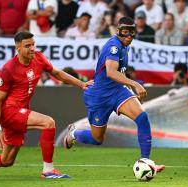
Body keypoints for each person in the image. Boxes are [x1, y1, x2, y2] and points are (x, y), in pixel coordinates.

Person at [0, 31, 93, 178]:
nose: (32, 48)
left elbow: (57, 73)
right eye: (27, 46)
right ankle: (48, 170)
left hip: (21, 111)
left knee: (6, 160)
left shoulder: (38, 57)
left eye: (33, 44)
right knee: (48, 123)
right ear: (18, 48)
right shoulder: (9, 69)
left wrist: (81, 84)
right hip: (9, 112)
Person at [62, 16, 165, 173]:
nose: (129, 37)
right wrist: (135, 84)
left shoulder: (125, 45)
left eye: (132, 33)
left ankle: (146, 161)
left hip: (117, 90)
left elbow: (115, 75)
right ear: (118, 32)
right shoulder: (114, 46)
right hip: (100, 96)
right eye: (125, 33)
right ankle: (74, 133)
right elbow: (110, 72)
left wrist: (128, 87)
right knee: (97, 139)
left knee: (142, 117)